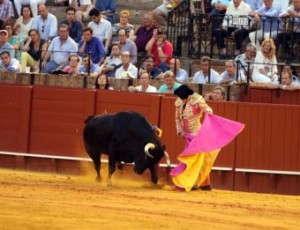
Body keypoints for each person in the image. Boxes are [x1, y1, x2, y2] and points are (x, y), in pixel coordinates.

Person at [171, 85, 214, 191]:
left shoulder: (196, 99)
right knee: (196, 160)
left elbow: (207, 108)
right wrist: (179, 129)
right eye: (180, 97)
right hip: (187, 135)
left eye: (183, 97)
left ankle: (193, 183)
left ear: (188, 95)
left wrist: (209, 111)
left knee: (193, 160)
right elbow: (177, 118)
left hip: (197, 135)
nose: (181, 99)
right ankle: (205, 184)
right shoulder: (180, 101)